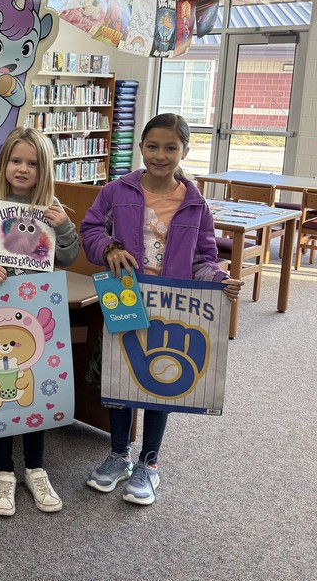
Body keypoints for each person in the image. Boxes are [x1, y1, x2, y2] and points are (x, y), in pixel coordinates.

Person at [80, 113, 242, 506]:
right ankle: (119, 454)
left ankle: (149, 463)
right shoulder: (117, 190)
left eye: (171, 147)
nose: (160, 155)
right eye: (152, 146)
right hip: (125, 297)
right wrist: (110, 248)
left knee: (159, 381)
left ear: (185, 150)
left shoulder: (195, 203)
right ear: (141, 148)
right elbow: (90, 230)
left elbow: (204, 256)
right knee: (119, 380)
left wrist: (219, 279)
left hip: (171, 305)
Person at [0, 127, 80, 517]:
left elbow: (69, 258)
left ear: (45, 169)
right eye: (16, 161)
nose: (23, 169)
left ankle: (36, 468)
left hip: (37, 313)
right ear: (3, 164)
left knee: (33, 385)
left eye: (33, 163)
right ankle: (3, 471)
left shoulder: (51, 207)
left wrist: (63, 227)